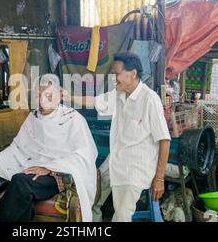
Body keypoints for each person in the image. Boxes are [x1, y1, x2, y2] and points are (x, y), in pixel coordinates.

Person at [65, 52, 171, 222]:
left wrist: (159, 178)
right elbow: (93, 101)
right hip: (115, 160)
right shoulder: (119, 94)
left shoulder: (150, 99)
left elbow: (164, 140)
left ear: (133, 74)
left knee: (122, 215)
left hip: (135, 168)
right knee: (89, 199)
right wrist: (67, 97)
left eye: (117, 74)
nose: (114, 78)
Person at [0, 74, 98, 222]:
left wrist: (50, 169)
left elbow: (84, 155)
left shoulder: (73, 119)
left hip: (59, 173)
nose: (42, 101)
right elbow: (18, 148)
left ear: (59, 95)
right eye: (38, 95)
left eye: (48, 95)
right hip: (33, 170)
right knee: (19, 188)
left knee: (20, 182)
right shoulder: (33, 118)